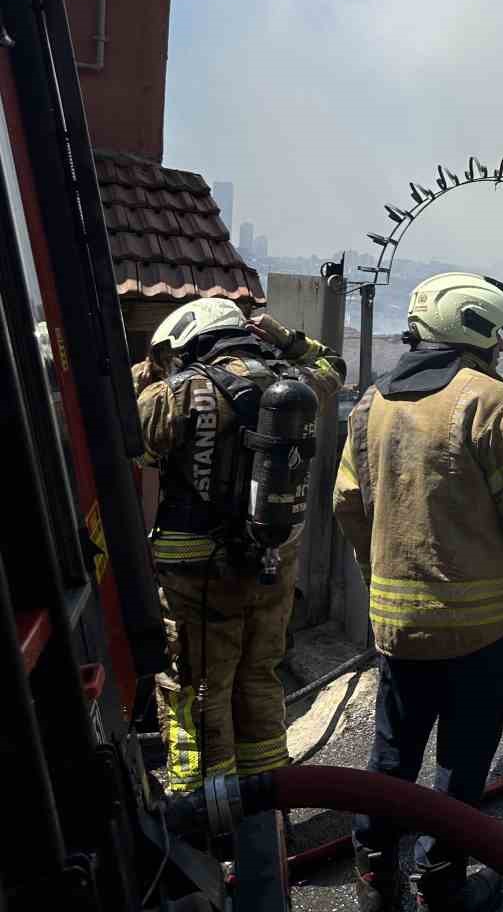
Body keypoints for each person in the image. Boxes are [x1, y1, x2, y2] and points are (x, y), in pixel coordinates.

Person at [333, 272, 503, 912]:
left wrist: (382, 579)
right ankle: (441, 885)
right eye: (497, 334)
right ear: (471, 330)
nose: (502, 347)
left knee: (391, 756)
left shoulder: (371, 406)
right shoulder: (490, 403)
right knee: (460, 763)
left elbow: (347, 503)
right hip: (479, 633)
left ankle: (374, 878)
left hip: (398, 626)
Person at [133, 297, 345, 798]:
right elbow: (332, 365)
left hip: (195, 573)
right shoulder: (293, 383)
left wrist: (149, 374)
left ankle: (204, 810)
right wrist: (288, 339)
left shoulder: (174, 396)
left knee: (197, 691)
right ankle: (268, 807)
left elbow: (127, 438)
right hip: (272, 563)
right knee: (259, 678)